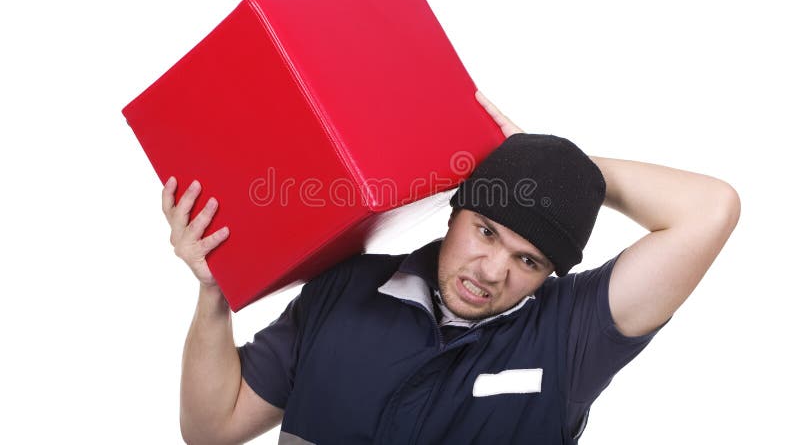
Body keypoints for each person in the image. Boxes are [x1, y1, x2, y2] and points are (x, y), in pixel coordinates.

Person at [165, 91, 740, 444]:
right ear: (455, 211)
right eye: (485, 232)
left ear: (549, 273)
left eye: (527, 259)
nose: (491, 271)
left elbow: (711, 210)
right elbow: (211, 430)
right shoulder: (345, 290)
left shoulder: (572, 333)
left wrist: (556, 165)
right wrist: (215, 294)